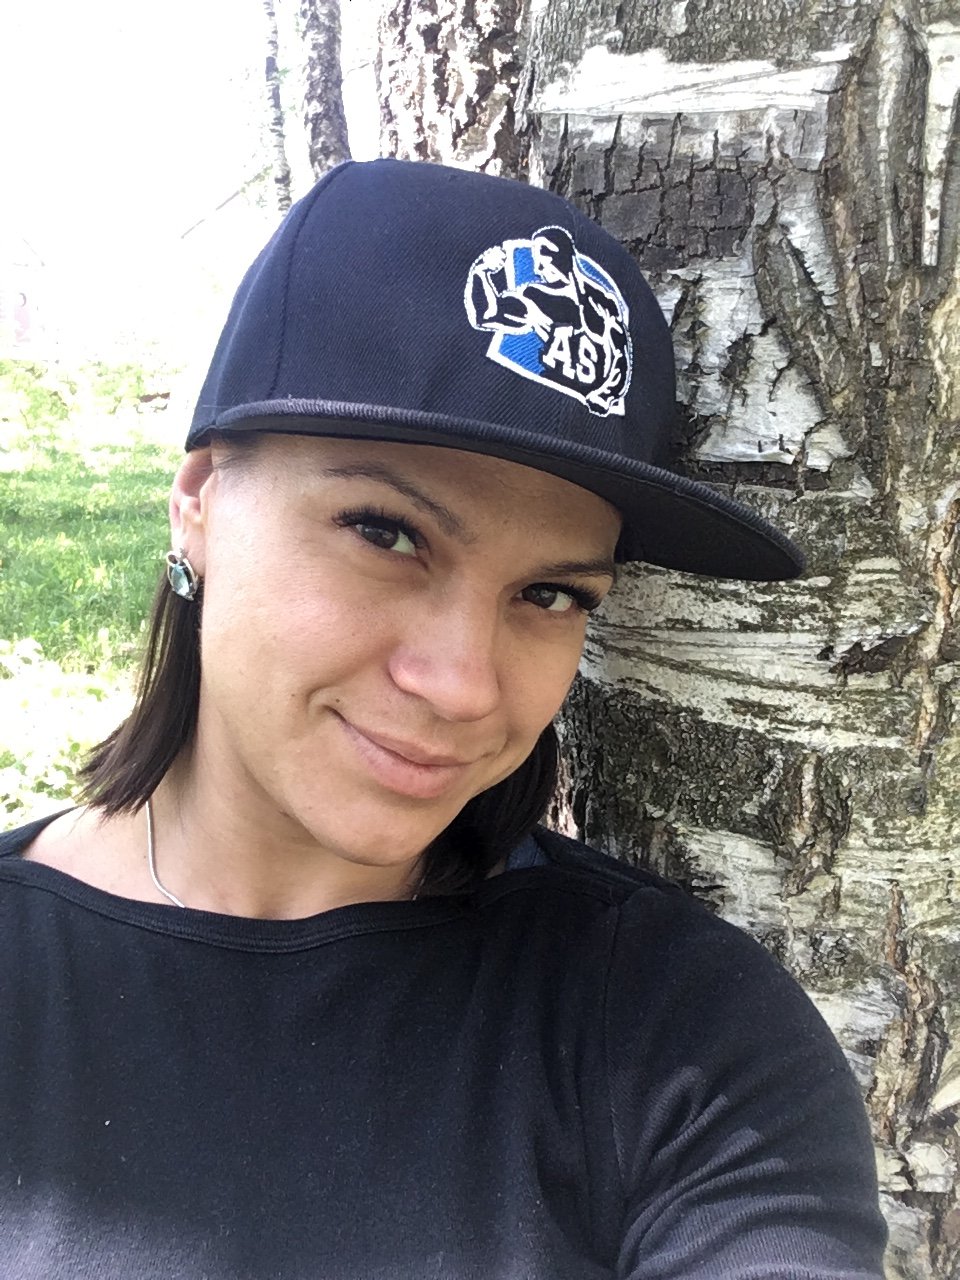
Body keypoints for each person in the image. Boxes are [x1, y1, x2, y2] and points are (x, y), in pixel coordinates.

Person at [0, 159, 885, 1278]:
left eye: (550, 593)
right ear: (200, 501)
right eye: (386, 532)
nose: (463, 685)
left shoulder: (681, 1031)